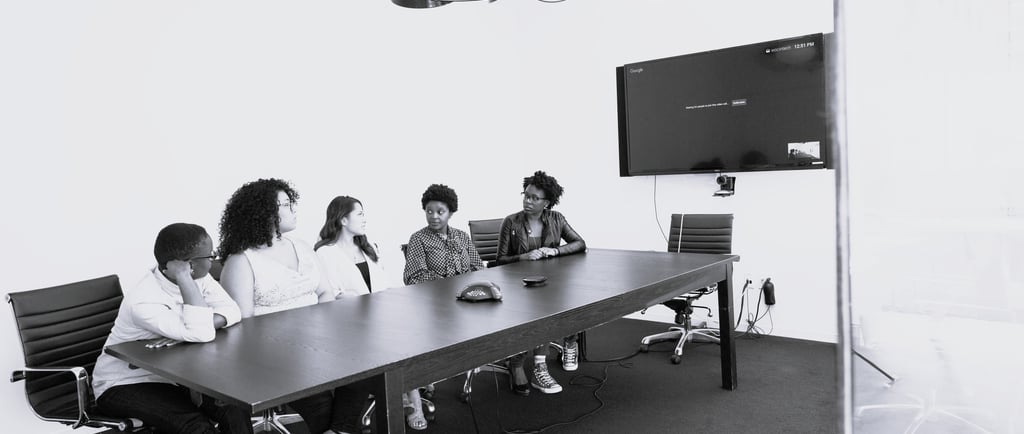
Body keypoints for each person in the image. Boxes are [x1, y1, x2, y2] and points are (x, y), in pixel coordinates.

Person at [217, 178, 362, 434]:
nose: (292, 209)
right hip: (274, 355)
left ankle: (340, 430)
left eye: (289, 202)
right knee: (323, 408)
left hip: (317, 342)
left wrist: (323, 334)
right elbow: (244, 324)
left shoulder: (303, 247)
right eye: (284, 204)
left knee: (371, 362)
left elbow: (325, 292)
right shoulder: (241, 262)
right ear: (263, 214)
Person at [92, 223, 252, 434]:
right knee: (195, 426)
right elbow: (201, 333)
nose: (213, 260)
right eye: (210, 256)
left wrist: (188, 330)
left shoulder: (201, 278)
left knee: (234, 407)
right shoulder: (143, 301)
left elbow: (233, 311)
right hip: (124, 383)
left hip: (174, 377)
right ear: (188, 265)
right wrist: (185, 282)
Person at [313, 195, 429, 431]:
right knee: (393, 340)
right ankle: (409, 398)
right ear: (343, 219)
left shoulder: (367, 247)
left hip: (379, 317)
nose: (365, 219)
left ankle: (408, 395)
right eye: (360, 214)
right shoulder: (325, 253)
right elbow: (331, 295)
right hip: (348, 324)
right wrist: (370, 304)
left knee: (406, 331)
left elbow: (384, 284)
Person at [497, 170, 587, 395]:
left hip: (549, 282)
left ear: (547, 202)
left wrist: (554, 250)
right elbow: (499, 261)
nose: (528, 201)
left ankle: (569, 342)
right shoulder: (511, 222)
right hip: (520, 286)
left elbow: (579, 243)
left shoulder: (556, 219)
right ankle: (533, 365)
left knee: (575, 298)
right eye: (526, 195)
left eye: (534, 198)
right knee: (541, 310)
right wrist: (523, 257)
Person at [402, 183, 485, 285]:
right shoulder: (418, 238)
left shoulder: (462, 236)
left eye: (440, 212)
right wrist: (448, 284)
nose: (434, 216)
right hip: (435, 296)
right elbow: (413, 277)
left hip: (466, 292)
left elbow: (478, 267)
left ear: (450, 213)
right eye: (429, 211)